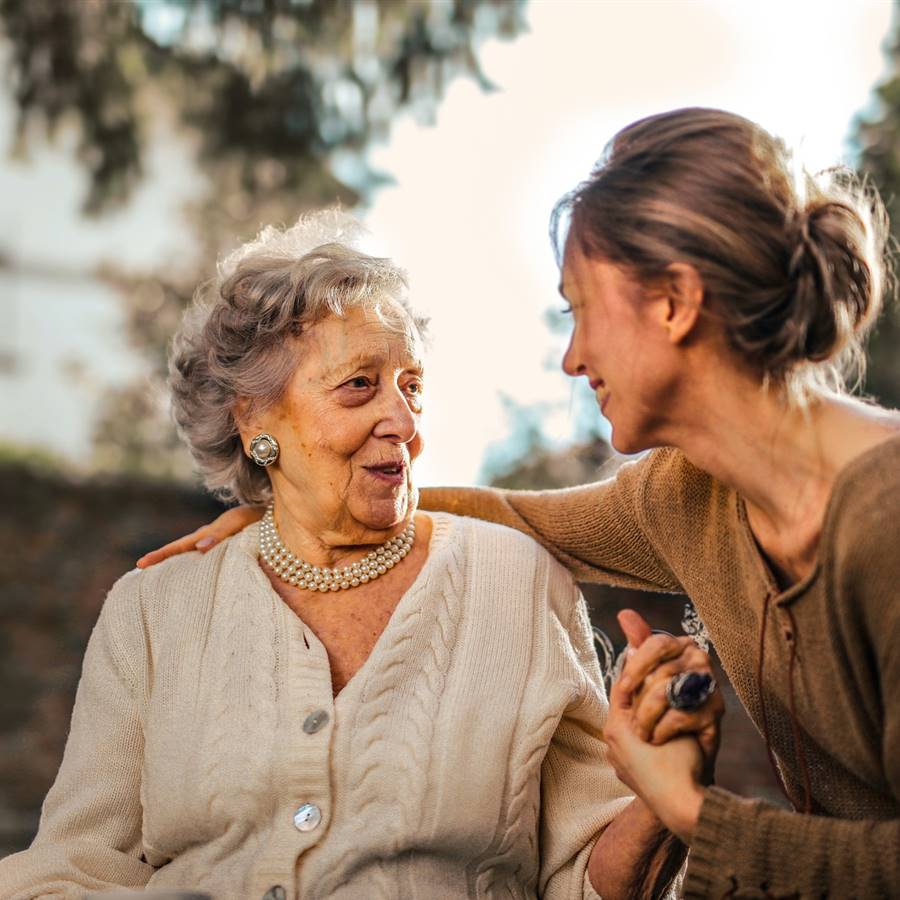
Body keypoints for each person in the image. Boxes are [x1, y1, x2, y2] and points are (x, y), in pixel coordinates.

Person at [150, 108, 900, 898]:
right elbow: (515, 515)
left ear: (675, 303)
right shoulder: (687, 497)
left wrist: (687, 807)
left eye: (580, 310)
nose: (573, 358)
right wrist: (298, 506)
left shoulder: (883, 519)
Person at [0, 211, 696, 900]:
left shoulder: (518, 583)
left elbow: (588, 881)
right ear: (254, 419)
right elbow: (71, 873)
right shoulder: (153, 611)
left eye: (412, 387)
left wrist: (662, 800)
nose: (403, 422)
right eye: (360, 384)